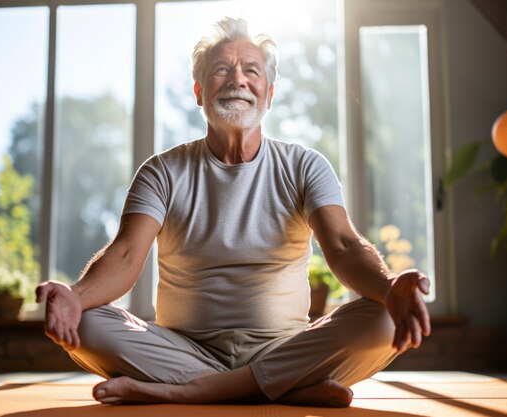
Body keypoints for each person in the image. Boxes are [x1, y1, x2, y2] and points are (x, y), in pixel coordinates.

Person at [36, 16, 431, 408]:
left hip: (284, 346)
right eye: (221, 69)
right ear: (198, 91)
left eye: (251, 71)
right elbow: (124, 255)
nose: (237, 79)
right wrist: (76, 296)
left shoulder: (305, 165)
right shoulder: (162, 171)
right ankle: (286, 387)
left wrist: (389, 286)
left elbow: (344, 246)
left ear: (269, 93)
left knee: (383, 316)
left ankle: (191, 392)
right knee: (86, 320)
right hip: (183, 350)